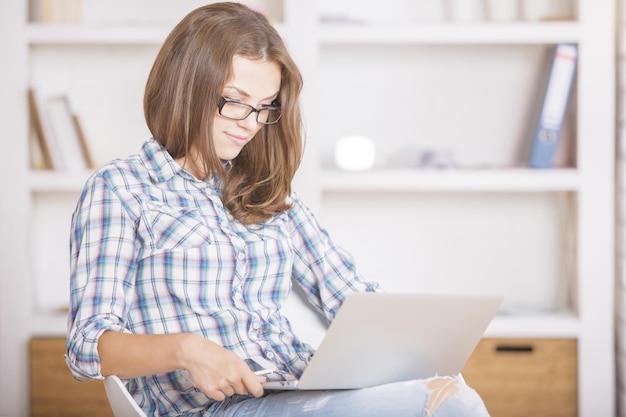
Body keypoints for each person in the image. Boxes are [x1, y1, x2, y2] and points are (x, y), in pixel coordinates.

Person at [66, 3, 492, 416]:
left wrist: (418, 339)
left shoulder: (266, 194)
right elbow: (86, 347)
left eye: (265, 106)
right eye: (234, 100)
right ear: (187, 86)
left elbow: (350, 297)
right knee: (446, 405)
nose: (250, 123)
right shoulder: (122, 189)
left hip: (294, 390)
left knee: (448, 389)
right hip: (213, 409)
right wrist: (186, 349)